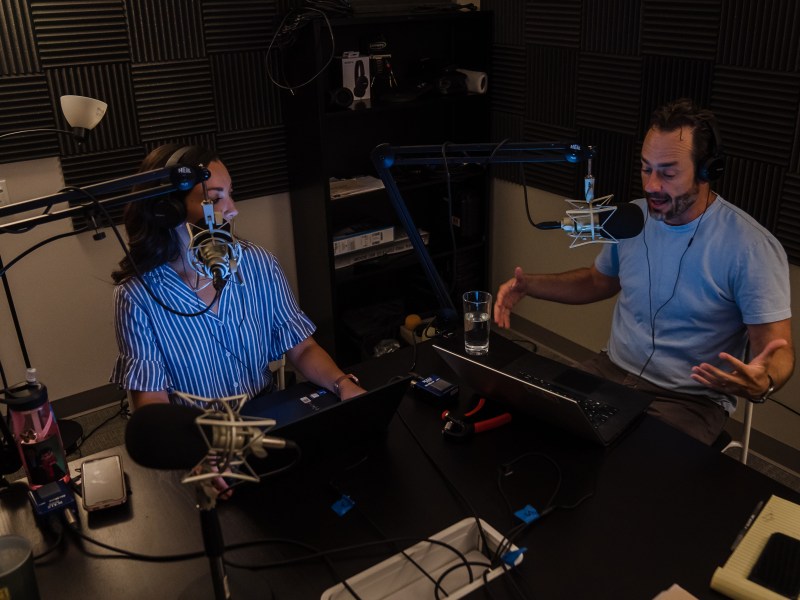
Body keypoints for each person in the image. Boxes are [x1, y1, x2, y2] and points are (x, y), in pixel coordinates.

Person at [494, 98, 794, 445]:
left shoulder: (750, 247)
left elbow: (777, 349)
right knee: (530, 422)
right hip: (610, 371)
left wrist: (764, 380)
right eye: (646, 168)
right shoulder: (632, 218)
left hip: (688, 399)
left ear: (706, 172)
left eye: (667, 173)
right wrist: (530, 285)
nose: (651, 185)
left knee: (631, 468)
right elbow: (597, 281)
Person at [110, 144, 365, 411]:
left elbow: (302, 348)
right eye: (215, 199)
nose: (232, 210)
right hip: (195, 430)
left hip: (265, 414)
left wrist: (342, 384)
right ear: (168, 209)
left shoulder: (258, 264)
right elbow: (151, 401)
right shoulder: (136, 296)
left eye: (230, 194)